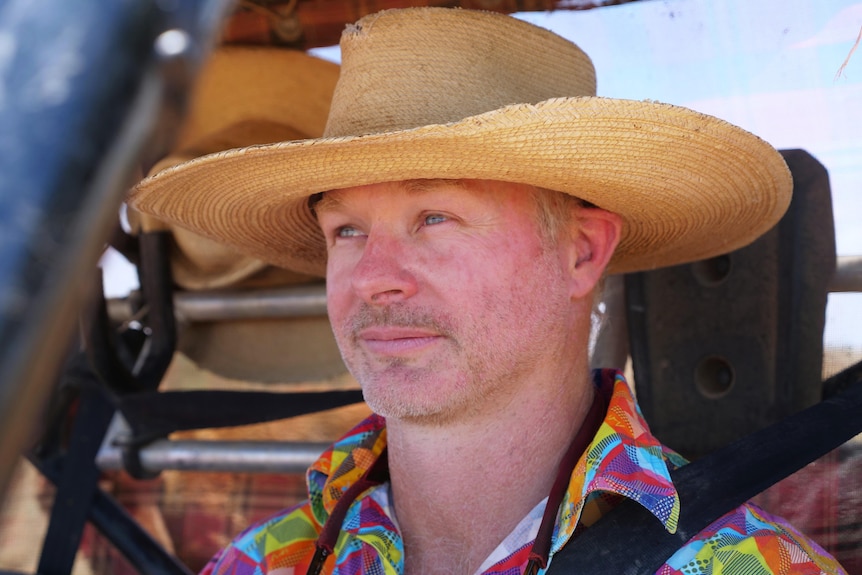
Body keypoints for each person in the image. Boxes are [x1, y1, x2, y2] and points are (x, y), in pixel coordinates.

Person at [129, 7, 846, 575]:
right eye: (346, 229)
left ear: (582, 250)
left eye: (434, 217)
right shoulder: (259, 563)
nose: (375, 275)